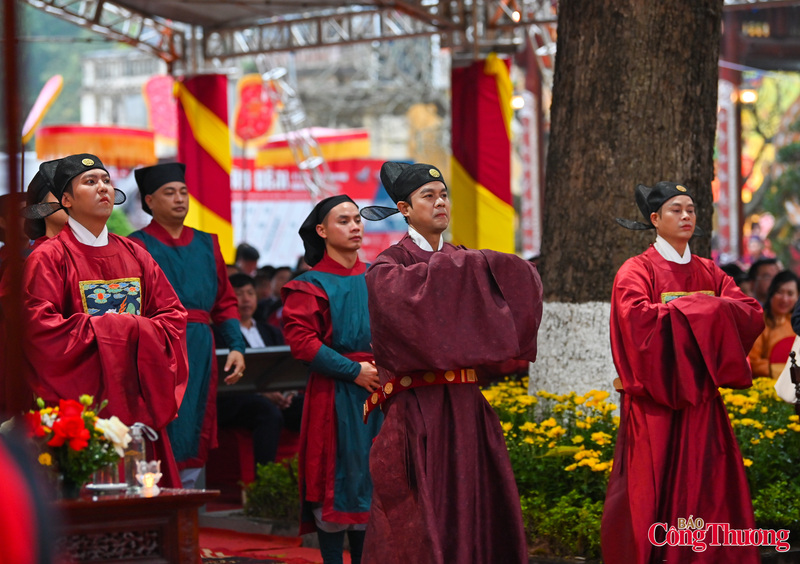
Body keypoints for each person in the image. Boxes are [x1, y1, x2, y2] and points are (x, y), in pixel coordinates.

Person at [360, 162, 543, 563]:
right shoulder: (389, 266)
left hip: (467, 404)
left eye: (444, 195)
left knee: (475, 504)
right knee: (419, 512)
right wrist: (470, 270)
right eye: (428, 196)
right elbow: (407, 324)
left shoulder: (463, 258)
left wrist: (476, 270)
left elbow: (506, 295)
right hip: (418, 408)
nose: (440, 202)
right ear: (405, 209)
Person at [604, 181, 763, 563]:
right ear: (655, 219)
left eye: (691, 209)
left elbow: (749, 312)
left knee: (707, 490)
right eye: (676, 210)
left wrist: (695, 310)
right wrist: (704, 309)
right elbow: (636, 322)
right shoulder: (636, 271)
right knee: (650, 495)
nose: (686, 216)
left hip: (702, 404)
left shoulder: (709, 270)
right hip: (654, 406)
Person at [21, 153, 189, 487]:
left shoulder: (135, 253)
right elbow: (38, 329)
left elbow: (173, 317)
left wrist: (129, 327)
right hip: (81, 404)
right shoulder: (48, 257)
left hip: (134, 393)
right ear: (66, 200)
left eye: (106, 181)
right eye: (90, 181)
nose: (103, 188)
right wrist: (123, 326)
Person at [130, 162, 246, 489]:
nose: (179, 199)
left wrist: (236, 345)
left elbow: (224, 302)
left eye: (183, 192)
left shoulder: (208, 243)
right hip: (156, 346)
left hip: (199, 344)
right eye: (170, 193)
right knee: (160, 416)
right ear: (149, 201)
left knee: (196, 416)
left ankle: (189, 500)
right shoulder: (136, 244)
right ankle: (156, 493)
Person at [281, 195, 383, 564]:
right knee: (336, 477)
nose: (355, 226)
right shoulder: (309, 285)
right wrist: (353, 371)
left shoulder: (379, 276)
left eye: (357, 219)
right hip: (334, 393)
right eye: (344, 220)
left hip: (380, 392)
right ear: (321, 231)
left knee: (374, 478)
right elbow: (303, 343)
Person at [217, 273, 301, 468]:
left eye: (250, 293)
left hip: (275, 396)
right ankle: (264, 477)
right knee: (266, 412)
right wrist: (263, 393)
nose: (246, 299)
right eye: (239, 294)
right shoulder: (219, 333)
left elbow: (284, 367)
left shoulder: (270, 331)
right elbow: (224, 374)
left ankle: (310, 475)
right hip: (236, 399)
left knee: (306, 407)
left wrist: (287, 392)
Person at [749, 270, 799, 379]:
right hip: (766, 384)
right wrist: (783, 371)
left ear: (797, 297)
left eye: (790, 294)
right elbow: (751, 361)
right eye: (780, 292)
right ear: (771, 293)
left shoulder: (795, 323)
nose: (784, 299)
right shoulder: (758, 322)